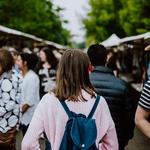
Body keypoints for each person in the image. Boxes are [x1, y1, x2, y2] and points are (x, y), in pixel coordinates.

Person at [22, 49, 118, 150]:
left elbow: (28, 144)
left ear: (61, 70)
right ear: (86, 71)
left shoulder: (48, 100)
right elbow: (112, 146)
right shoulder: (99, 102)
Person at [87, 44, 135, 150]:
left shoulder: (82, 84)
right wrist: (127, 137)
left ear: (89, 60)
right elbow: (129, 116)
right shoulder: (122, 85)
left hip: (89, 138)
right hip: (116, 139)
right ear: (106, 58)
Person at [0, 49, 21, 150]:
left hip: (4, 127)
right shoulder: (13, 76)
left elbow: (8, 104)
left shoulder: (6, 80)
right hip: (10, 124)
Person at [17, 52, 40, 135]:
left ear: (25, 62)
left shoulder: (32, 77)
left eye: (19, 60)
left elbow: (29, 101)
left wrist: (18, 114)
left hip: (30, 116)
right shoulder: (18, 75)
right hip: (21, 115)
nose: (16, 62)